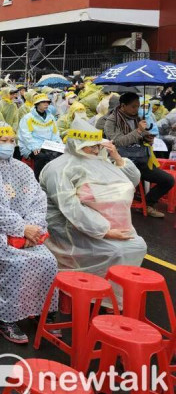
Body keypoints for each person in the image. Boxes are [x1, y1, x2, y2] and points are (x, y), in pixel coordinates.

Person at [0, 121, 59, 344]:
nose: (8, 145)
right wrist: (21, 229)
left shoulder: (23, 168)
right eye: (2, 141)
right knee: (15, 263)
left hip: (25, 233)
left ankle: (44, 311)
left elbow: (37, 200)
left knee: (48, 260)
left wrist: (30, 229)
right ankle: (3, 317)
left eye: (11, 141)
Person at [39, 119, 147, 295]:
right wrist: (104, 230)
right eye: (91, 146)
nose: (96, 150)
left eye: (98, 146)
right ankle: (102, 296)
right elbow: (70, 208)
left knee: (137, 245)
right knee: (117, 250)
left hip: (102, 223)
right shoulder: (60, 169)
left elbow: (130, 181)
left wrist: (117, 157)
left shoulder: (98, 161)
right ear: (77, 144)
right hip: (69, 228)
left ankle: (116, 294)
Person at [96, 91, 173, 218]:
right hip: (122, 163)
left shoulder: (138, 118)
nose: (136, 109)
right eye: (133, 106)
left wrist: (147, 139)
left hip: (141, 160)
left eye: (138, 106)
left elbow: (139, 138)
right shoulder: (110, 121)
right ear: (123, 105)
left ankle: (148, 203)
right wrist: (138, 131)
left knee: (168, 180)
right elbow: (119, 142)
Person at [18, 94, 63, 178]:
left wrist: (59, 144)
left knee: (60, 154)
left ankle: (53, 178)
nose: (46, 104)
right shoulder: (28, 118)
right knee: (41, 157)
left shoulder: (51, 117)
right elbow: (26, 135)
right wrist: (34, 147)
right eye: (43, 102)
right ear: (37, 104)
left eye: (48, 102)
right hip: (31, 145)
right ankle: (37, 179)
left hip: (48, 145)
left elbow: (55, 133)